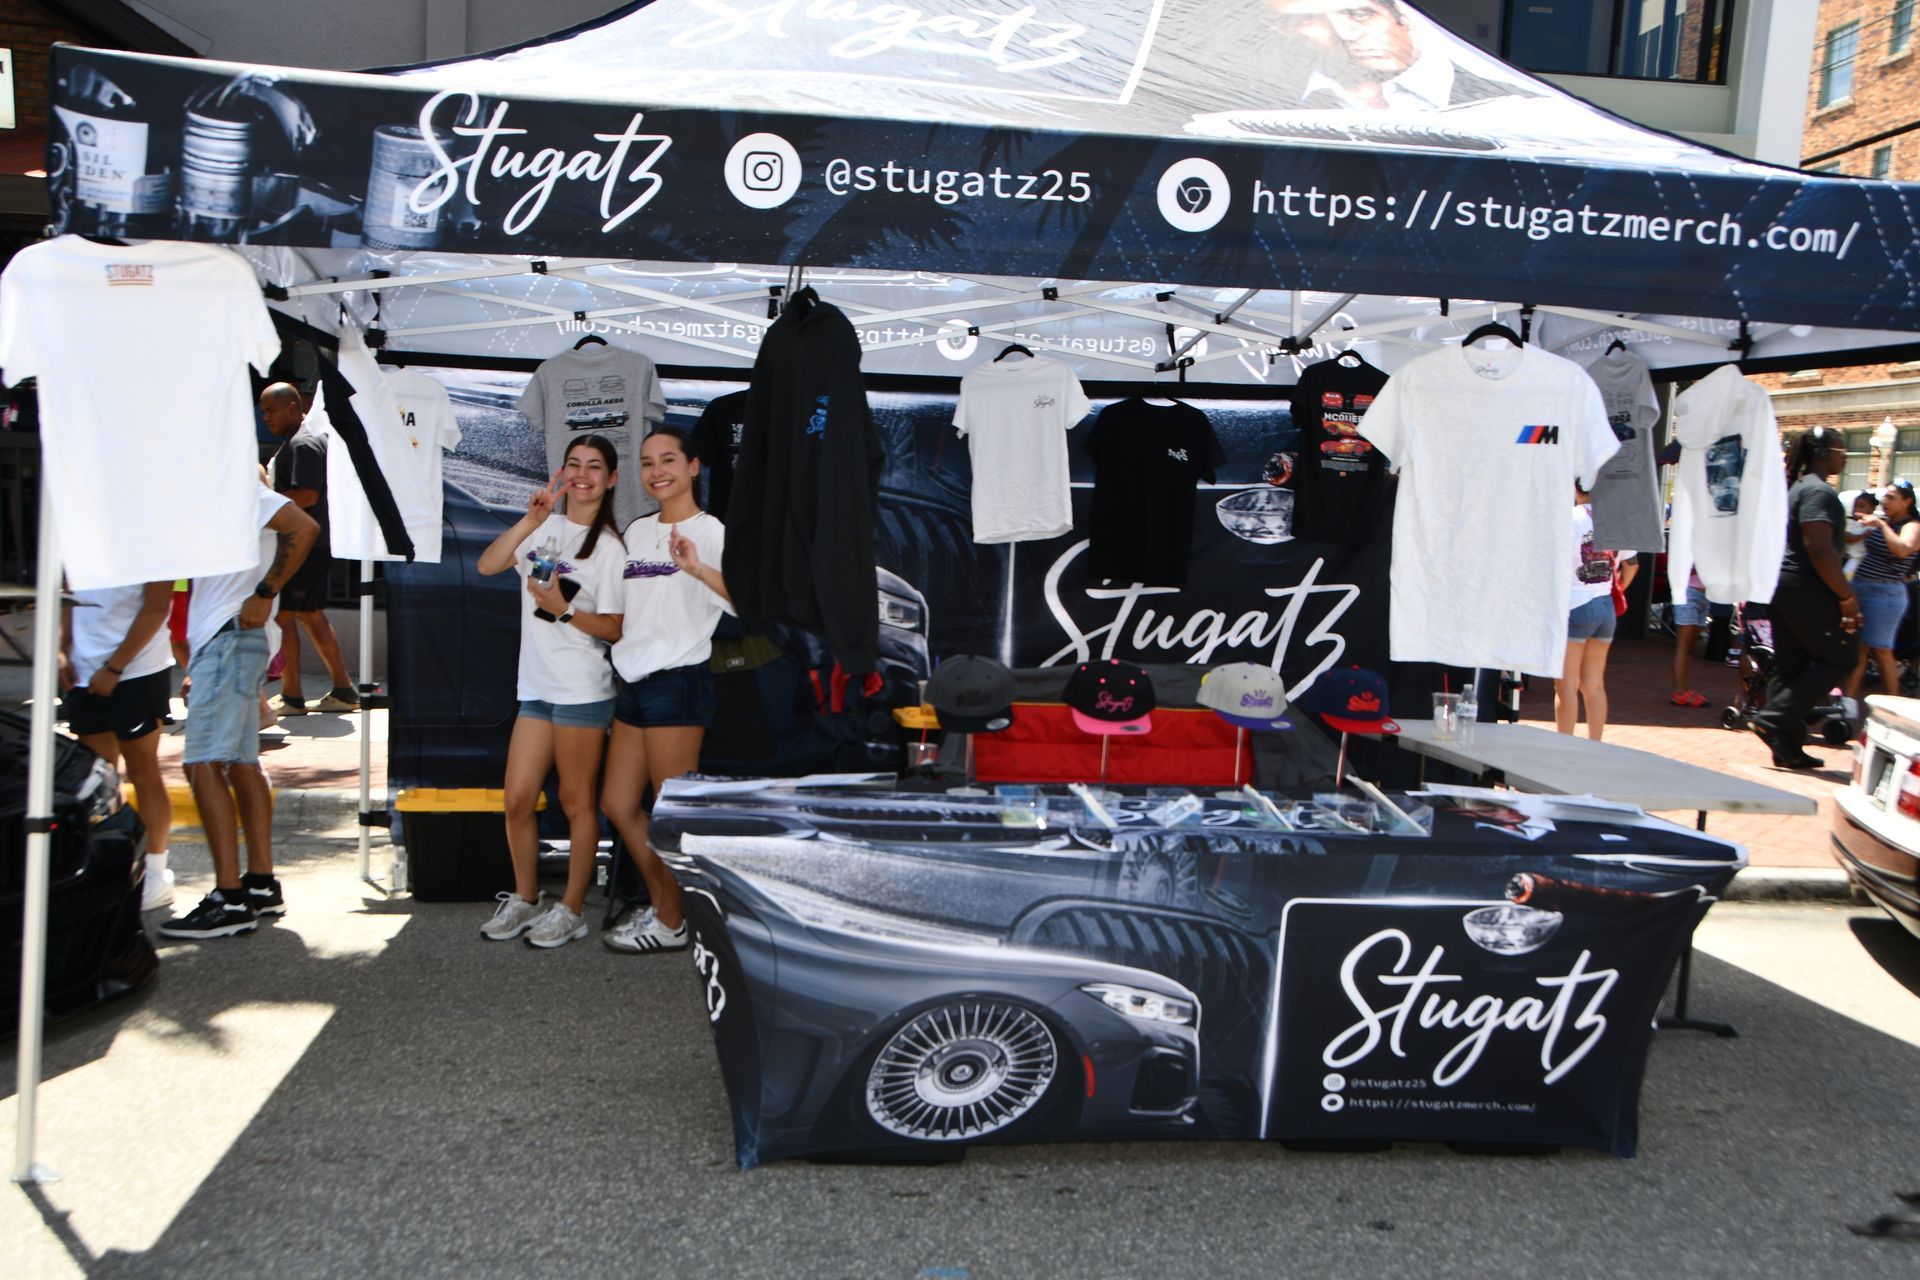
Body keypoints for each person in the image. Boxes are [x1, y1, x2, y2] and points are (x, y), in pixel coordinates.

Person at [476, 436, 626, 949]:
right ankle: (526, 897)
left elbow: (615, 629)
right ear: (561, 474)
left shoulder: (611, 549)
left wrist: (564, 610)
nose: (582, 475)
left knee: (577, 802)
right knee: (518, 798)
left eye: (594, 467)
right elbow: (488, 565)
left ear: (612, 479)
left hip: (582, 689)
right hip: (535, 686)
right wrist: (530, 520)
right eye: (574, 465)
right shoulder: (545, 529)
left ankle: (572, 909)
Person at [158, 470, 318, 939]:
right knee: (242, 764)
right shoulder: (234, 498)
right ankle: (260, 884)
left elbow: (305, 527)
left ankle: (229, 898)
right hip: (232, 642)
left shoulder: (245, 489)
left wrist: (264, 594)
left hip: (230, 641)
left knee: (203, 762)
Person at [601, 427, 732, 954]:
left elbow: (744, 602)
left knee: (669, 812)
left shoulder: (712, 531)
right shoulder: (637, 531)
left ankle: (674, 919)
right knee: (617, 803)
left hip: (678, 681)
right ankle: (665, 907)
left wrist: (696, 568)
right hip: (634, 682)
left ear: (693, 467)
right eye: (648, 462)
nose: (657, 472)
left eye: (669, 460)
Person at [60, 579, 177, 910]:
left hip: (138, 670)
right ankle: (105, 868)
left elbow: (156, 609)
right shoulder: (76, 545)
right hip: (83, 670)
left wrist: (115, 667)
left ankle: (156, 873)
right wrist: (61, 649)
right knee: (97, 780)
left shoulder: (149, 548)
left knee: (143, 771)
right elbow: (67, 596)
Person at [1753, 428, 1861, 769]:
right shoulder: (1818, 491)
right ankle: (1772, 719)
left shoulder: (1797, 488)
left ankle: (1786, 747)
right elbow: (1818, 547)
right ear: (1823, 453)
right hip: (1805, 585)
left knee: (1791, 665)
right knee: (1842, 656)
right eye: (1841, 450)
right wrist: (1845, 596)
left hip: (1783, 585)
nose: (1845, 457)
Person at [260, 382, 359, 716]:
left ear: (292, 407)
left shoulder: (303, 442)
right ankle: (343, 689)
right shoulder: (302, 440)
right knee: (308, 614)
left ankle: (292, 695)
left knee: (285, 616)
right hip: (312, 544)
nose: (266, 418)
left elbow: (307, 495)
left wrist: (264, 506)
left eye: (271, 410)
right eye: (263, 412)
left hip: (305, 545)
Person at [1268, 0, 1533, 110]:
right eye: (1308, 20)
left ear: (1404, 18)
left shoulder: (1513, 104)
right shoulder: (1269, 102)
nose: (1345, 34)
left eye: (1360, 14)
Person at [1555, 488, 1636, 740]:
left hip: (1575, 604)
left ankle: (1564, 744)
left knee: (1566, 686)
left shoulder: (1568, 518)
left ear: (1575, 487)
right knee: (1595, 684)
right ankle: (1596, 744)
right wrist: (1616, 587)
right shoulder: (1616, 519)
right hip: (1605, 605)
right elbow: (1632, 565)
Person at [1846, 478, 1920, 701]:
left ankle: (1895, 704)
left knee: (1882, 651)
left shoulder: (1912, 526)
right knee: (1859, 649)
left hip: (1884, 595)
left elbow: (1902, 550)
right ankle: (1848, 702)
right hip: (1859, 588)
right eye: (1884, 497)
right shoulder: (1882, 521)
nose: (1884, 501)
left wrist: (1881, 525)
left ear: (1906, 502)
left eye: (1890, 497)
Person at [1668, 569, 1713, 708]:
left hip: (1705, 594)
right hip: (1688, 593)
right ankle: (1679, 692)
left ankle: (1684, 690)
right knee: (1684, 646)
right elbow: (1681, 568)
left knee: (1690, 647)